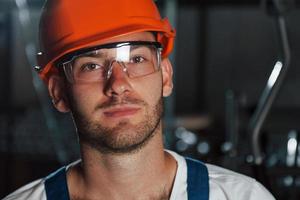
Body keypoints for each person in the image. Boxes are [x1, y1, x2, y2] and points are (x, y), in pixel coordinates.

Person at [3, 0, 276, 199]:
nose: (119, 85)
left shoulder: (242, 196)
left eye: (136, 59)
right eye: (91, 66)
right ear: (58, 92)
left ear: (166, 76)